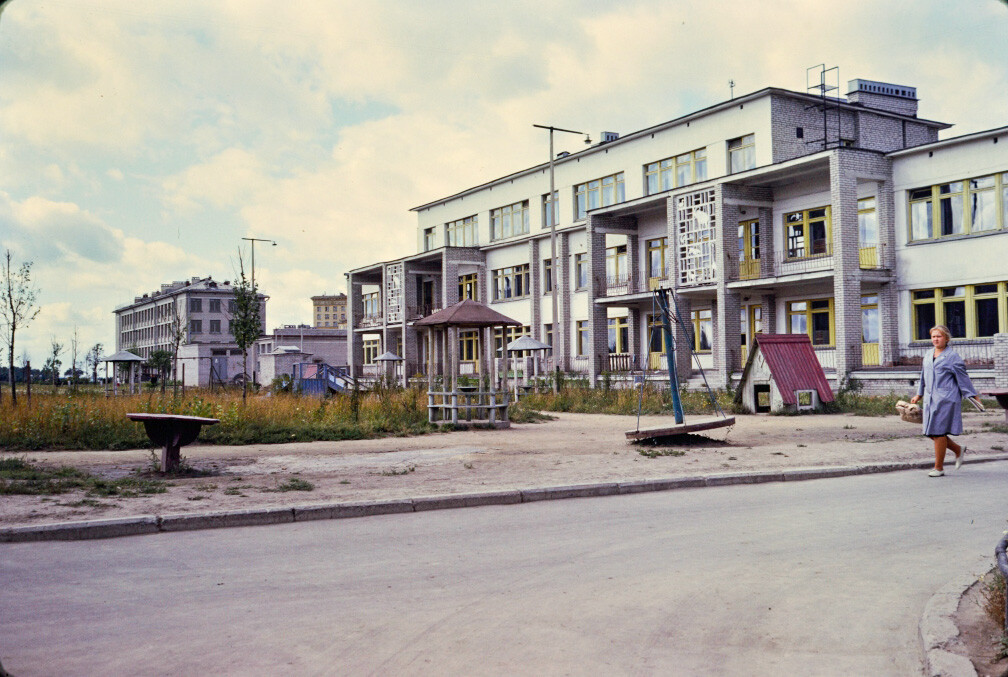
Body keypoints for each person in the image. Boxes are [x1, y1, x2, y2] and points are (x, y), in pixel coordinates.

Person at [910, 325, 982, 477]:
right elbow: (923, 376)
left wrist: (974, 397)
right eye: (933, 336)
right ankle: (957, 450)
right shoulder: (928, 354)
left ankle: (939, 468)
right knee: (930, 432)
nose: (936, 339)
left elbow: (963, 379)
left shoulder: (952, 357)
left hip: (947, 399)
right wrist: (919, 395)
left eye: (939, 336)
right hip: (930, 399)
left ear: (947, 339)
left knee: (938, 432)